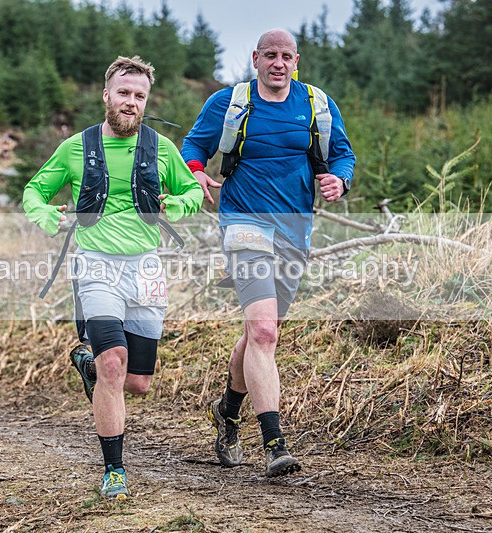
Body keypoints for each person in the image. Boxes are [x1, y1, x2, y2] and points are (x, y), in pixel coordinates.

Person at [23, 56, 203, 500]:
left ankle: (87, 363)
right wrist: (48, 215)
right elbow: (34, 191)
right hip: (96, 264)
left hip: (145, 268)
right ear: (106, 95)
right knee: (113, 362)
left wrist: (176, 207)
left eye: (139, 96)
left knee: (137, 382)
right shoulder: (76, 147)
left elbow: (193, 190)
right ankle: (114, 471)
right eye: (124, 93)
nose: (131, 102)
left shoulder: (160, 148)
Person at [181, 29, 356, 477]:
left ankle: (228, 410)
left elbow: (342, 155)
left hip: (295, 232)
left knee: (260, 331)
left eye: (286, 57)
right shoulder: (229, 102)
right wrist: (197, 174)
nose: (278, 64)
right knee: (263, 332)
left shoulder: (316, 104)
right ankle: (274, 443)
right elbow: (193, 149)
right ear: (256, 58)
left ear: (296, 61)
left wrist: (339, 179)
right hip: (243, 224)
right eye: (270, 56)